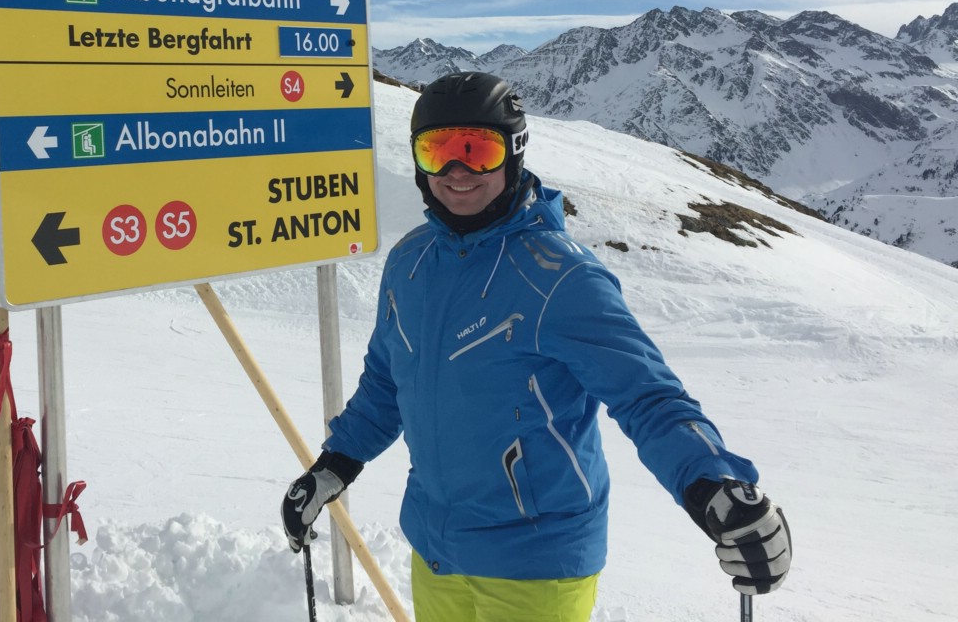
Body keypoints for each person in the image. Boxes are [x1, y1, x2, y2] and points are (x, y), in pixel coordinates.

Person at [281, 72, 791, 621]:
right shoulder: (410, 261)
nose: (456, 171)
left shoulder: (561, 278)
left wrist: (714, 483)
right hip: (436, 550)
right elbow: (386, 383)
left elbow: (646, 395)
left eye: (478, 151)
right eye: (437, 151)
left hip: (537, 564)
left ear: (514, 151)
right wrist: (334, 465)